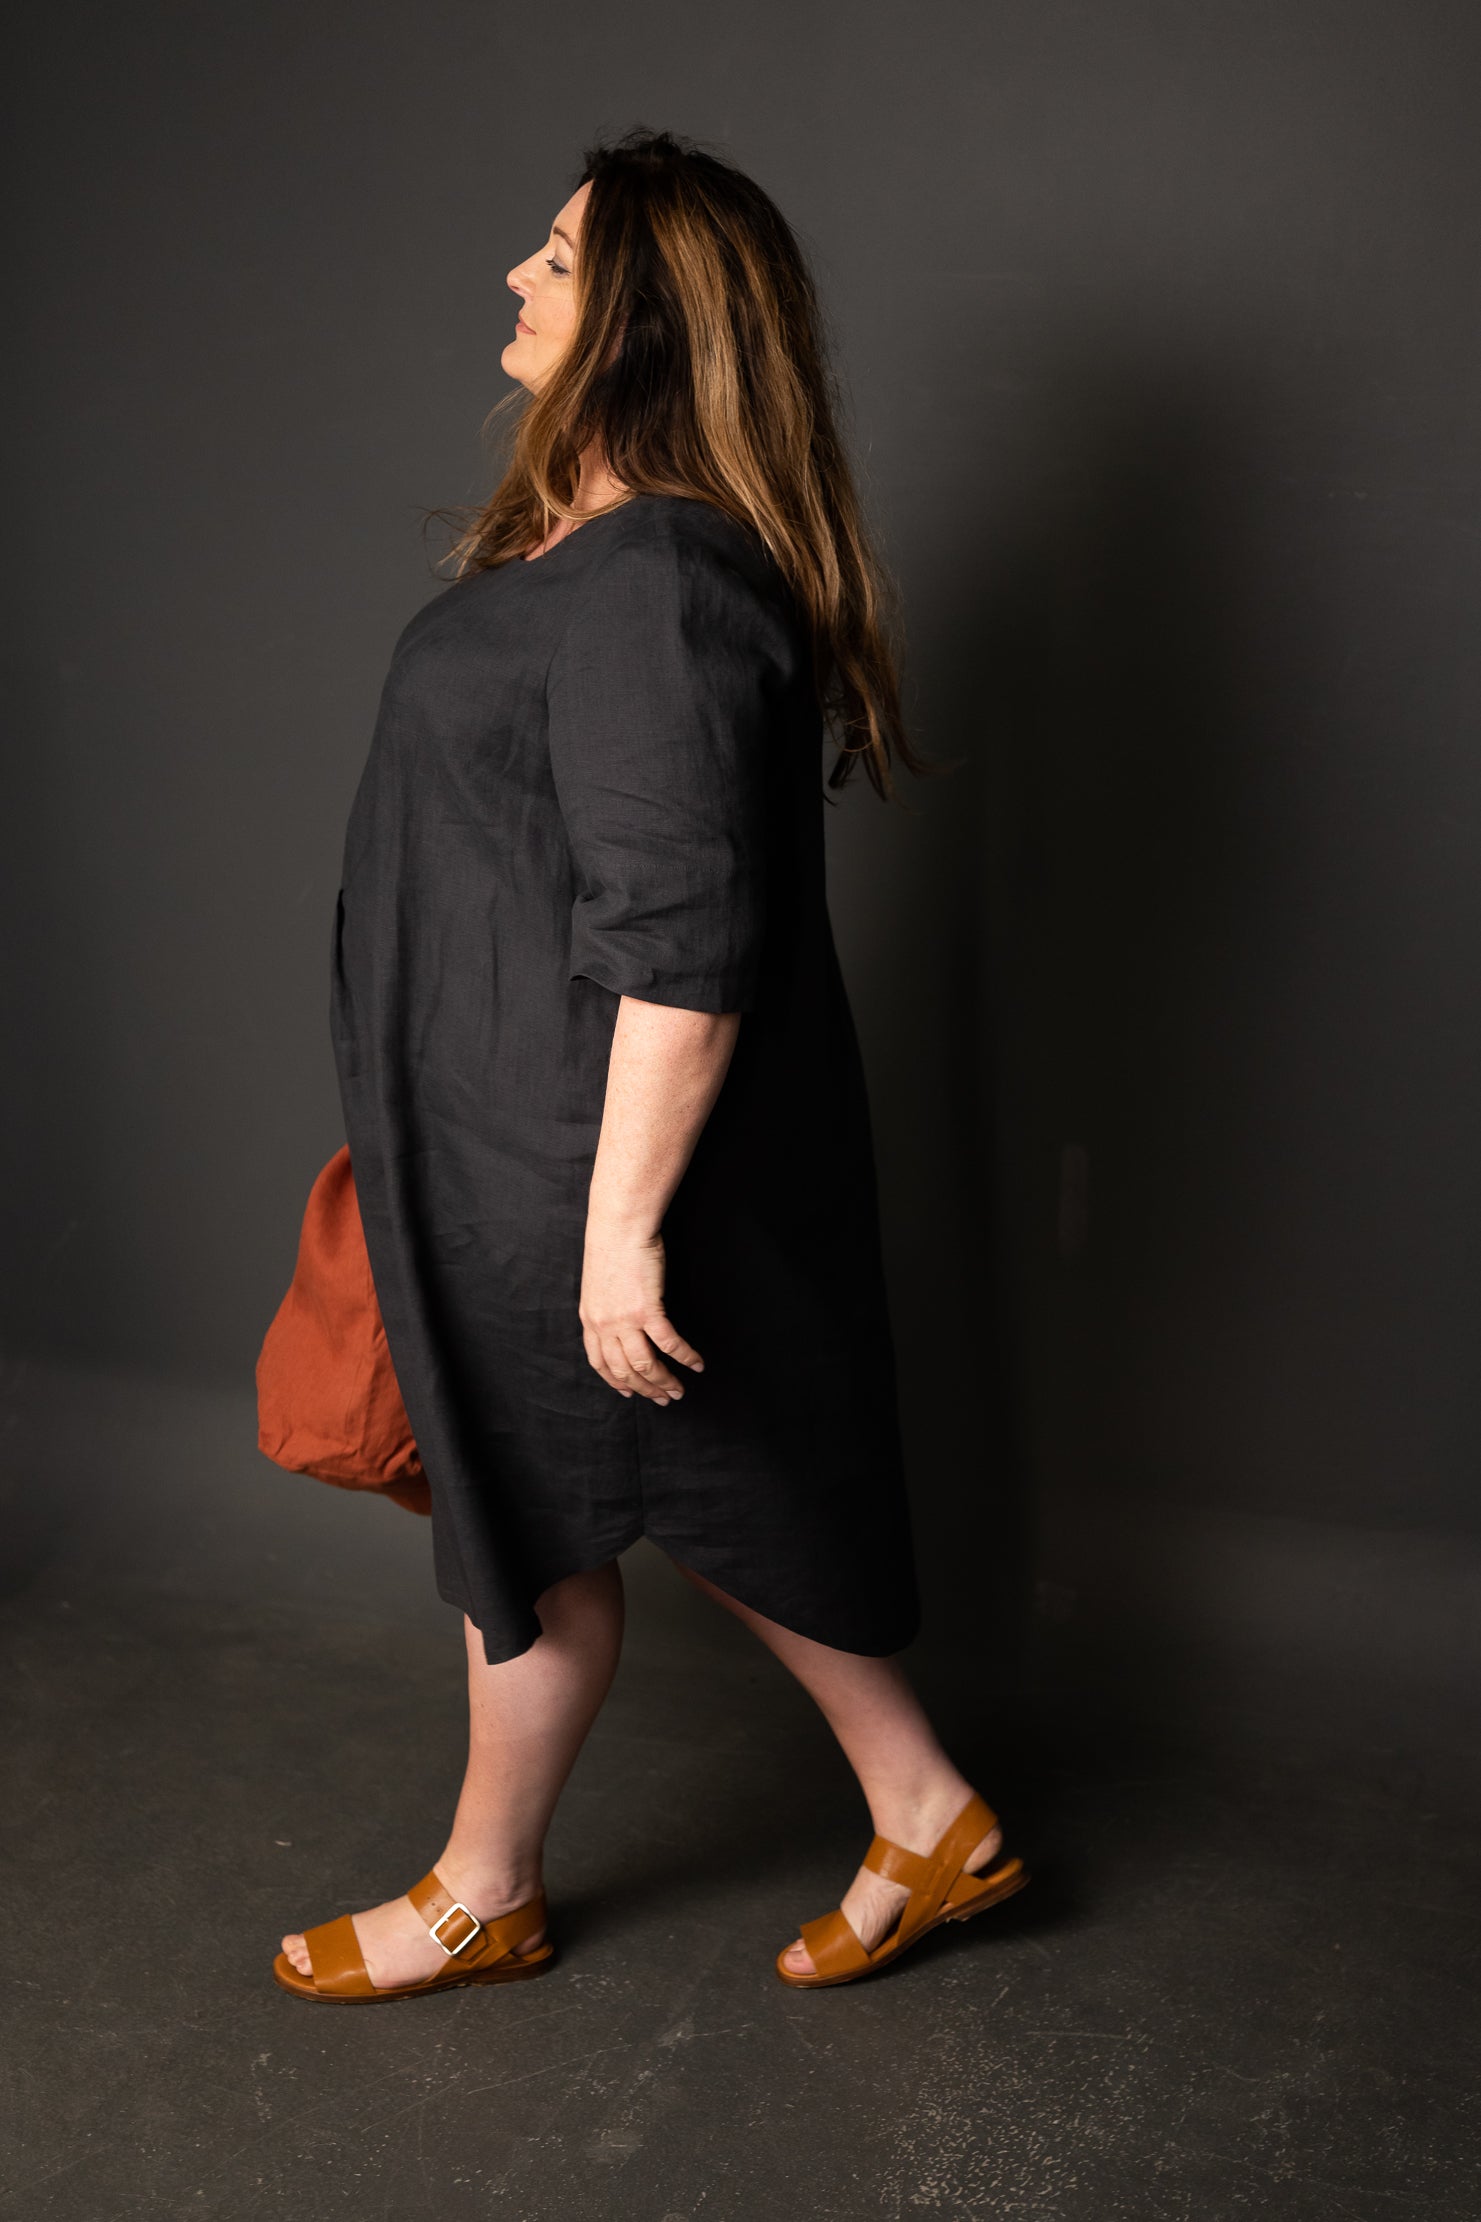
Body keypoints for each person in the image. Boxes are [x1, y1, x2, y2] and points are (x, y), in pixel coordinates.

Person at [273, 128, 1025, 2005]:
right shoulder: (596, 556)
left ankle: (485, 1890)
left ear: (642, 317)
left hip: (572, 1156)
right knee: (641, 1491)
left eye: (557, 256)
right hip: (504, 1138)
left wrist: (616, 1232)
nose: (518, 276)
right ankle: (924, 1807)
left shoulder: (657, 577)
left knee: (545, 1516)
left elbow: (682, 935)